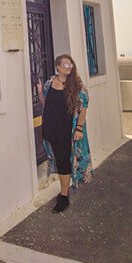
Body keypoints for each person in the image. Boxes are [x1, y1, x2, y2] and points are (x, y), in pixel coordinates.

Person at [39, 54, 92, 212]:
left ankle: (64, 195)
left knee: (63, 161)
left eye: (70, 65)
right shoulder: (50, 83)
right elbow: (45, 103)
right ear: (58, 67)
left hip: (66, 130)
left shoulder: (77, 85)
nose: (69, 67)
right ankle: (63, 191)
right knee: (58, 159)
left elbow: (83, 108)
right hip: (50, 128)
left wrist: (79, 129)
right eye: (65, 64)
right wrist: (40, 91)